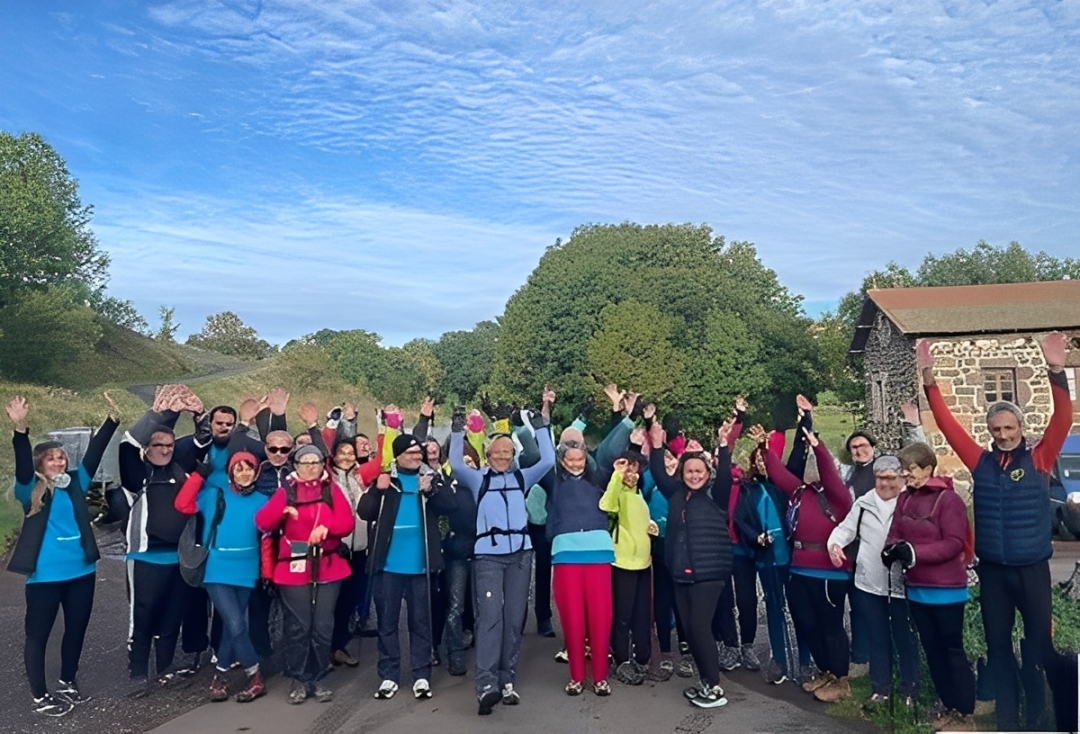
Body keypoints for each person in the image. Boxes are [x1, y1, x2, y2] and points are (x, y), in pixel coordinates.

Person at [918, 332, 1072, 731]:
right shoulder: (980, 461)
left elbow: (1063, 420)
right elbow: (949, 426)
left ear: (1020, 426)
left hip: (1031, 570)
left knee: (1041, 648)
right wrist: (930, 380)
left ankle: (1054, 715)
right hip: (995, 574)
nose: (1002, 434)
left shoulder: (1039, 457)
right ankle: (1008, 719)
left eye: (1008, 427)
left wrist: (1056, 372)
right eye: (996, 429)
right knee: (998, 649)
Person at [7, 394, 120, 717]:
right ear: (40, 464)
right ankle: (40, 696)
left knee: (76, 629)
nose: (58, 462)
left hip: (81, 572)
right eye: (51, 459)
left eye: (61, 457)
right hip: (44, 576)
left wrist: (112, 420)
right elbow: (21, 463)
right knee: (38, 635)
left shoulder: (75, 484)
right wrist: (20, 427)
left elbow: (94, 454)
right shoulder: (29, 490)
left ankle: (68, 680)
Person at [448, 390, 556, 716]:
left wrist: (540, 427)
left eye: (508, 453)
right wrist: (457, 429)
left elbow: (549, 460)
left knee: (513, 621)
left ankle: (507, 680)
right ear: (487, 453)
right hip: (489, 558)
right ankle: (485, 685)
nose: (504, 458)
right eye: (498, 453)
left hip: (521, 555)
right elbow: (454, 462)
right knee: (490, 619)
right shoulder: (477, 478)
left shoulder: (521, 477)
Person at [755, 422, 852, 703]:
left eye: (814, 464)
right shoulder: (799, 492)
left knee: (830, 624)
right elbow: (776, 473)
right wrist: (764, 448)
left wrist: (817, 447)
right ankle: (824, 670)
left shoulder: (837, 496)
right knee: (807, 622)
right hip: (799, 567)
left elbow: (830, 473)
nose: (810, 467)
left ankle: (840, 678)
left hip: (828, 571)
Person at [255, 444, 355, 704]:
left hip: (328, 565)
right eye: (305, 462)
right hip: (294, 565)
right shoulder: (286, 491)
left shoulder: (330, 490)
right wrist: (282, 511)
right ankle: (298, 677)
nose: (311, 467)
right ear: (295, 466)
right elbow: (263, 522)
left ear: (323, 464)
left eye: (316, 462)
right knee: (299, 626)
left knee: (323, 625)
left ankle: (320, 677)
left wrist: (326, 528)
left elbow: (347, 523)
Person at [359, 433, 457, 700]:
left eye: (418, 454)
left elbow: (451, 505)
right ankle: (389, 675)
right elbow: (365, 512)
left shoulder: (431, 478)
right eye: (411, 454)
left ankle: (421, 675)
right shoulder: (387, 481)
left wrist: (432, 490)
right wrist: (376, 489)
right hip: (388, 566)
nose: (416, 458)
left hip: (421, 566)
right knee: (387, 624)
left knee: (421, 623)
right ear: (398, 456)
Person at [647, 414, 735, 709]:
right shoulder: (675, 496)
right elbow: (658, 473)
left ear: (707, 474)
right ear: (682, 473)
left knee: (699, 628)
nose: (695, 475)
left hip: (709, 573)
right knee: (689, 626)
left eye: (700, 471)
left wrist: (724, 444)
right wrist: (656, 444)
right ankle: (705, 680)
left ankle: (714, 687)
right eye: (689, 471)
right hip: (680, 572)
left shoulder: (716, 495)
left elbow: (724, 475)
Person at [118, 389, 203, 693]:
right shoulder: (137, 475)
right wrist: (158, 416)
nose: (165, 450)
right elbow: (126, 444)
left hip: (177, 558)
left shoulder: (180, 472)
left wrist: (196, 414)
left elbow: (201, 442)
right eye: (158, 445)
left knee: (171, 617)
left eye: (169, 445)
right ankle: (137, 672)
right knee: (143, 616)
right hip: (145, 558)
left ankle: (164, 669)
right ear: (147, 448)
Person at [887, 442, 976, 732]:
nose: (906, 475)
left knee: (951, 651)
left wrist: (914, 553)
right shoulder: (905, 500)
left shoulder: (947, 500)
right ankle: (949, 705)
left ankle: (965, 713)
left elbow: (953, 543)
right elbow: (895, 533)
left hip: (947, 590)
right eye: (903, 470)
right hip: (918, 589)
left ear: (927, 468)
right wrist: (890, 550)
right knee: (932, 650)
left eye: (910, 469)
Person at [174, 450, 269, 702]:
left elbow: (276, 529)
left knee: (232, 625)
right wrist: (198, 476)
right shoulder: (213, 495)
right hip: (217, 568)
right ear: (231, 472)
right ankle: (255, 675)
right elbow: (182, 504)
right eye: (239, 468)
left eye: (249, 468)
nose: (245, 473)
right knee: (238, 624)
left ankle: (220, 675)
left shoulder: (263, 500)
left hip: (248, 569)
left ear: (257, 472)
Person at [827, 455, 920, 706]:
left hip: (901, 584)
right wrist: (835, 545)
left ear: (902, 478)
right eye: (880, 478)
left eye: (891, 478)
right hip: (869, 582)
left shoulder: (911, 502)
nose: (885, 483)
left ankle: (910, 688)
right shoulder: (864, 503)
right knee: (877, 636)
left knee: (904, 637)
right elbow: (846, 529)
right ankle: (881, 688)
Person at [545, 438, 615, 696]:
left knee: (600, 618)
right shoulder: (554, 482)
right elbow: (539, 455)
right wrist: (543, 419)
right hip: (566, 555)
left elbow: (611, 448)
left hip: (598, 555)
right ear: (561, 460)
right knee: (572, 619)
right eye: (569, 459)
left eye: (580, 458)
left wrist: (624, 418)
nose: (575, 463)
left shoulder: (599, 480)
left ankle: (600, 678)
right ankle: (576, 677)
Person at [732, 435, 797, 685]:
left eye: (765, 459)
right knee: (773, 606)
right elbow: (740, 519)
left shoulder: (783, 487)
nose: (761, 463)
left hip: (789, 557)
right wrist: (754, 537)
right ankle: (778, 657)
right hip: (764, 556)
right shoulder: (749, 489)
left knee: (796, 607)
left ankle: (804, 659)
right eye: (757, 459)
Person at [601, 452, 658, 688]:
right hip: (623, 563)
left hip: (643, 562)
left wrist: (651, 525)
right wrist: (616, 475)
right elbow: (606, 504)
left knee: (642, 613)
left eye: (634, 469)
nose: (630, 474)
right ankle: (622, 660)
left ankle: (641, 659)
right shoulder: (618, 494)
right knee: (622, 615)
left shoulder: (639, 496)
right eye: (626, 469)